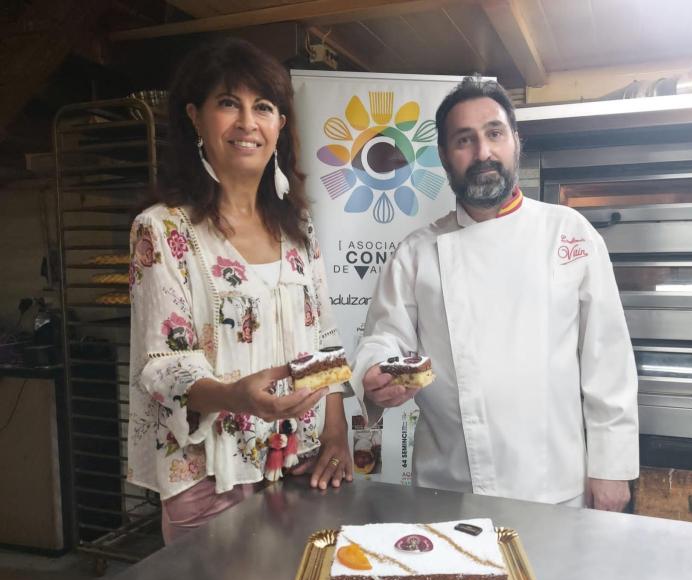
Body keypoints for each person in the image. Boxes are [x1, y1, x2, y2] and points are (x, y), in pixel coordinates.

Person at [351, 76, 638, 510]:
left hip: (554, 486)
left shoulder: (568, 232)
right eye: (464, 140)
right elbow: (385, 338)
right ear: (445, 157)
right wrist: (374, 370)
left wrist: (612, 469)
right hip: (448, 487)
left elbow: (608, 359)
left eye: (494, 133)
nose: (483, 152)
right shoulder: (415, 253)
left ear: (515, 142)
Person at [128, 38, 352, 544]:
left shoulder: (299, 228)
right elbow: (163, 363)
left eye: (264, 107)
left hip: (301, 458)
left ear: (279, 128)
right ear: (195, 118)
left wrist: (336, 430)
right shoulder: (162, 231)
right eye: (229, 103)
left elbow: (326, 336)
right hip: (209, 473)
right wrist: (234, 396)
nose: (248, 122)